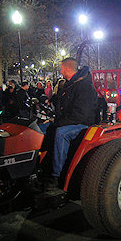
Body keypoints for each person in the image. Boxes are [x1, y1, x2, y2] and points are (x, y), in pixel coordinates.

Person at [46, 58, 97, 189]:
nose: (61, 71)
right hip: (70, 119)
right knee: (42, 128)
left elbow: (80, 115)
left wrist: (59, 123)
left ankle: (57, 175)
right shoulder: (70, 84)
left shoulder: (85, 87)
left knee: (61, 133)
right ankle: (43, 166)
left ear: (67, 68)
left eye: (62, 68)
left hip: (82, 123)